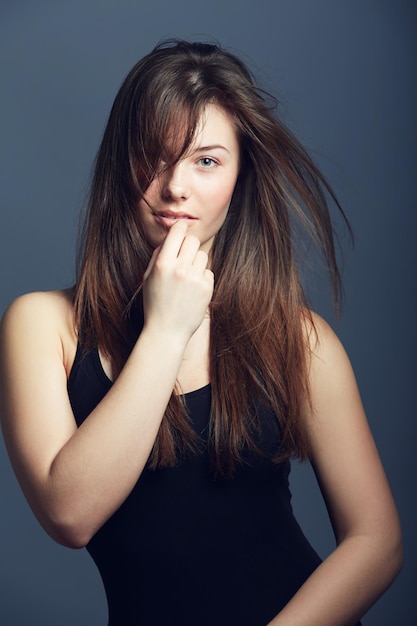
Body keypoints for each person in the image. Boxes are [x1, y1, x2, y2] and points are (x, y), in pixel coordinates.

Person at [0, 39, 402, 626]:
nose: (175, 187)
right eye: (153, 156)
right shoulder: (42, 324)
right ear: (120, 162)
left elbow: (377, 542)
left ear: (240, 176)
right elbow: (69, 514)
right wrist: (166, 329)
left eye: (206, 161)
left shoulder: (297, 339)